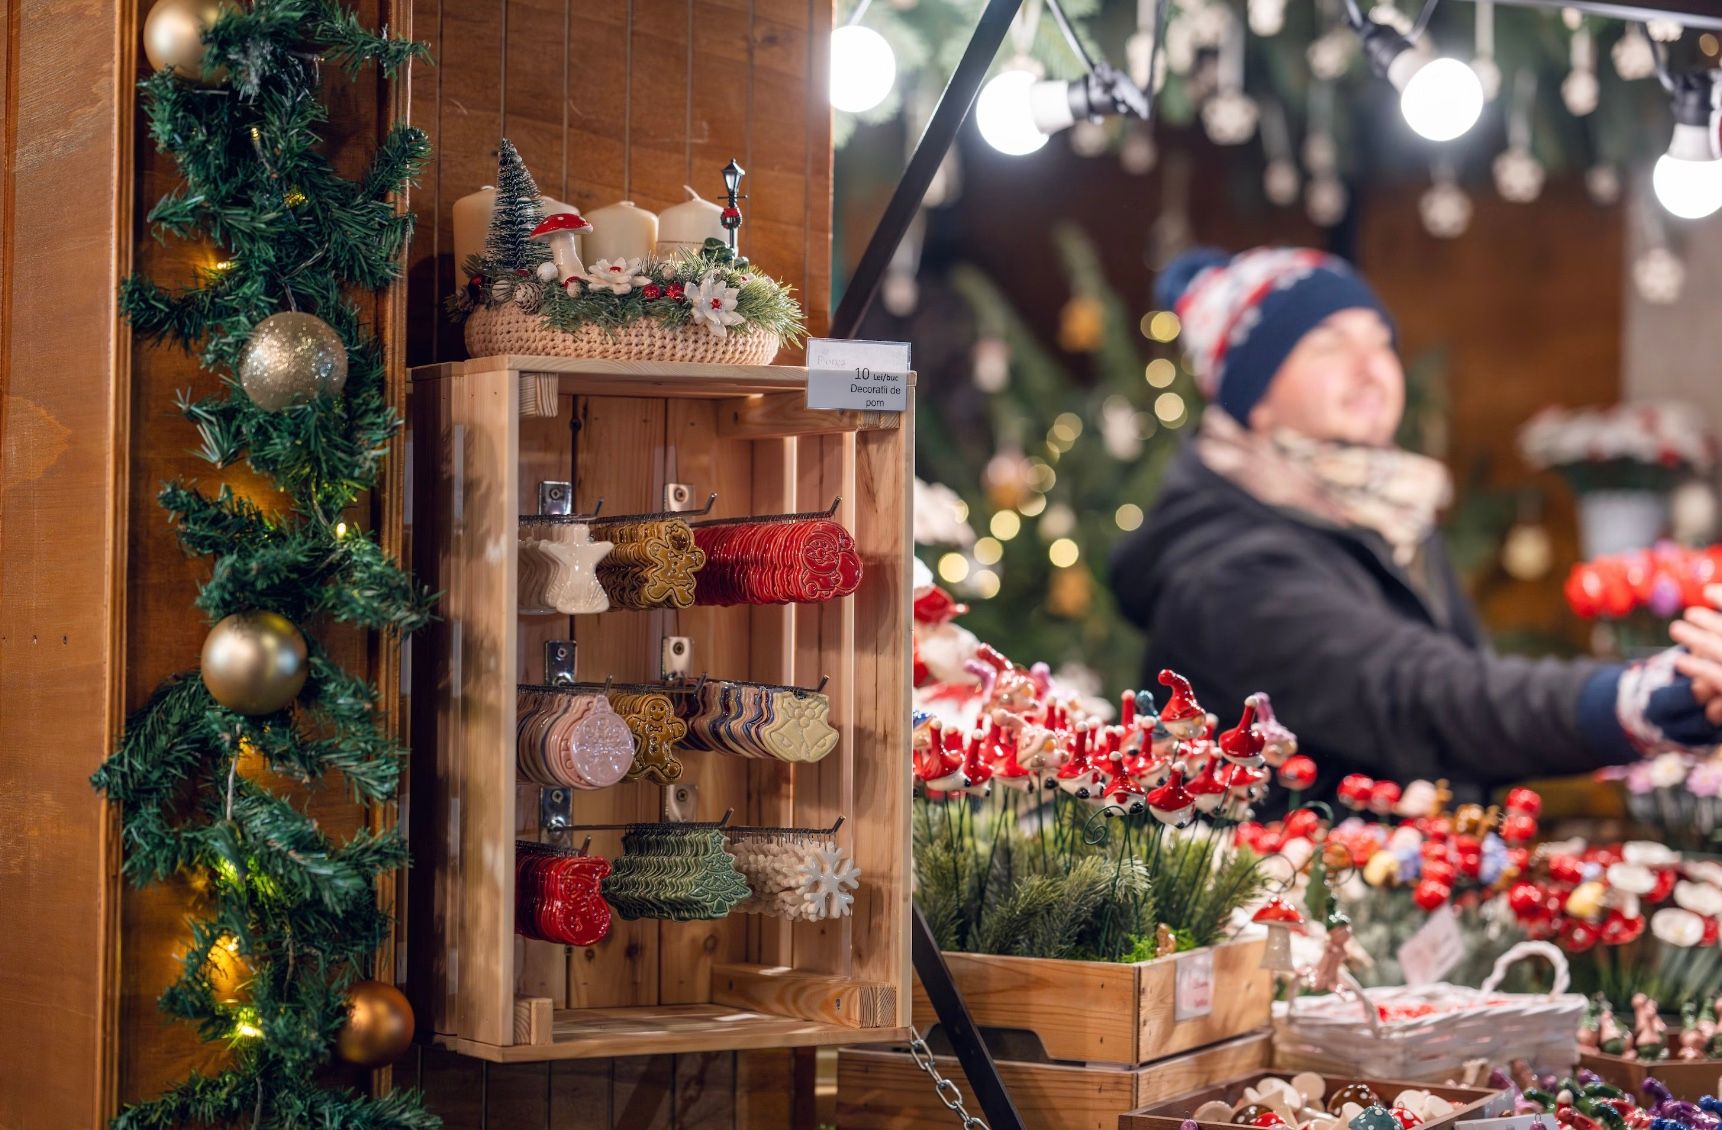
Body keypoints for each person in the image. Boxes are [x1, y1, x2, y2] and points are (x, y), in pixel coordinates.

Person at [1110, 246, 1722, 801]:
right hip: (1288, 908)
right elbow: (1420, 695)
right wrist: (1643, 699)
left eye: (1380, 341)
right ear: (1253, 396)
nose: (1369, 365)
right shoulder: (1226, 566)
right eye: (1326, 342)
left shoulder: (1389, 516)